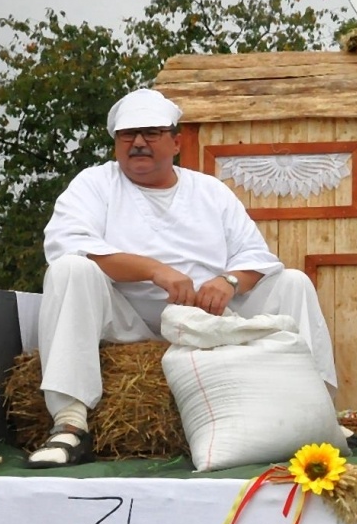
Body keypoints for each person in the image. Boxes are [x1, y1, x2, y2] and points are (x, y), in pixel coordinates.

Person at [28, 88, 337, 467]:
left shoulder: (209, 191)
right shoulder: (94, 184)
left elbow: (256, 256)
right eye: (128, 135)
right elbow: (67, 242)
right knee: (69, 269)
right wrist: (154, 270)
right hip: (128, 319)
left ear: (176, 142)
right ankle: (70, 425)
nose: (138, 143)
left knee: (292, 282)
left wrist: (230, 282)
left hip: (209, 319)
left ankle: (320, 417)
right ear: (115, 144)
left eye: (151, 133)